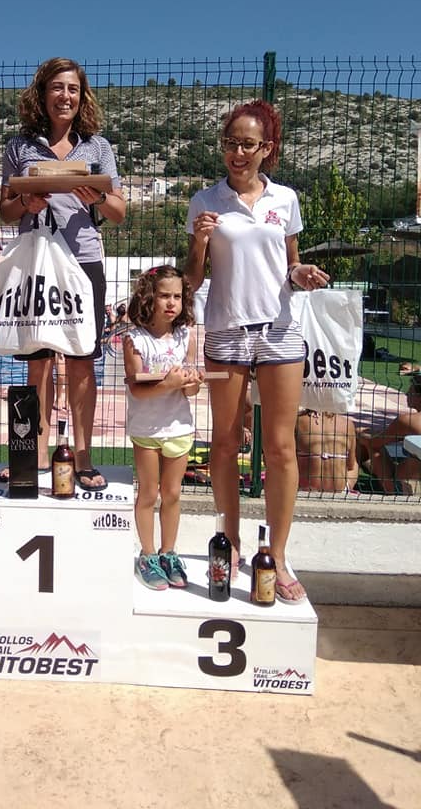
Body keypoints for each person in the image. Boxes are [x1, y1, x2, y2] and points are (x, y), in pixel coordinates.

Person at [185, 99, 329, 604]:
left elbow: (289, 264)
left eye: (248, 144)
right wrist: (199, 243)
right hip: (226, 331)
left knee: (282, 447)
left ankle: (279, 556)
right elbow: (192, 279)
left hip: (279, 330)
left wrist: (301, 273)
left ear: (267, 148)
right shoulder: (206, 200)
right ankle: (230, 542)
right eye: (230, 143)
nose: (238, 153)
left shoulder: (285, 199)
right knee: (225, 443)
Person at [0, 57, 126, 488]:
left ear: (82, 96)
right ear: (42, 94)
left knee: (81, 361)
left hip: (83, 262)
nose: (65, 96)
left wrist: (97, 198)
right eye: (57, 87)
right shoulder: (19, 147)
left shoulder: (98, 147)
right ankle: (34, 454)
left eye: (72, 88)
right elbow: (5, 210)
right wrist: (26, 203)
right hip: (36, 263)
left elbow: (119, 211)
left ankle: (83, 457)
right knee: (37, 363)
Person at [123, 266, 202, 590]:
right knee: (148, 493)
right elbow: (136, 388)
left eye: (177, 297)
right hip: (146, 428)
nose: (172, 303)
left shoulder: (187, 336)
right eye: (164, 296)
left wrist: (191, 382)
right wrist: (168, 384)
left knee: (172, 493)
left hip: (179, 427)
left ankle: (169, 552)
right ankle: (147, 554)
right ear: (148, 297)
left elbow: (191, 390)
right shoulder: (135, 339)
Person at [356, 376, 421, 493]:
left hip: (406, 490)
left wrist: (359, 433)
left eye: (411, 391)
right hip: (411, 479)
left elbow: (374, 443)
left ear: (419, 397)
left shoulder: (409, 421)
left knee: (367, 440)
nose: (406, 394)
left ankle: (346, 479)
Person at [295, 409, 358, 493]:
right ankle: (347, 487)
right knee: (354, 464)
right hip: (338, 491)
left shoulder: (297, 421)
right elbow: (351, 465)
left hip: (304, 489)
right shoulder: (347, 424)